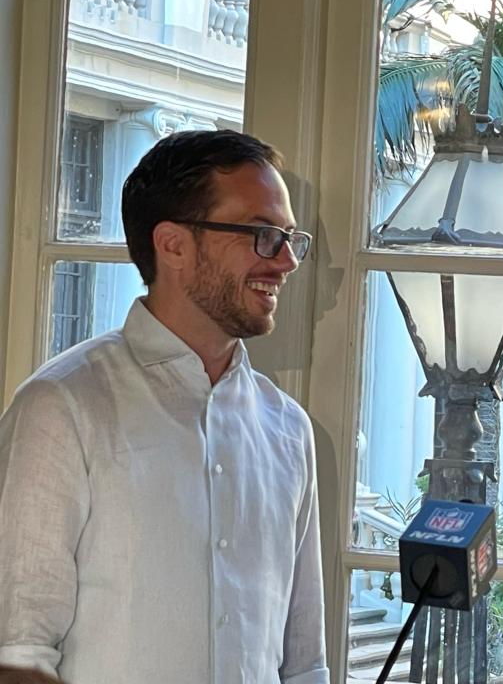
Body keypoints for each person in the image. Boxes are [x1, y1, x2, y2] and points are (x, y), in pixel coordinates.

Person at [0, 130, 328, 684]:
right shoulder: (61, 409)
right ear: (173, 244)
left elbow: (302, 665)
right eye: (264, 235)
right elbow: (17, 653)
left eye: (292, 238)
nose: (288, 262)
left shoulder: (288, 429)